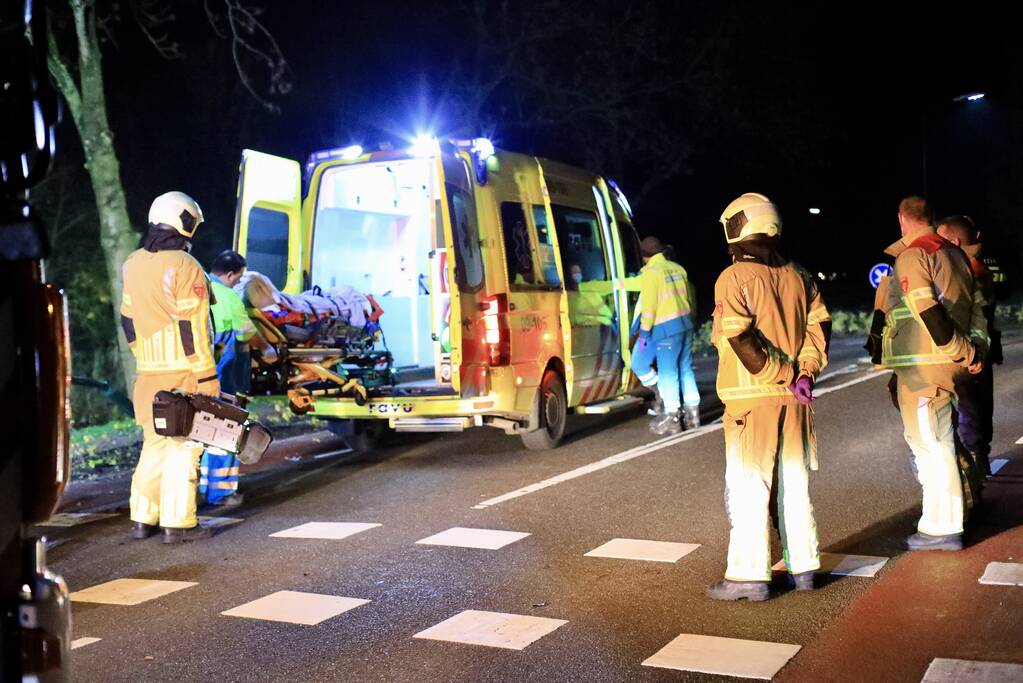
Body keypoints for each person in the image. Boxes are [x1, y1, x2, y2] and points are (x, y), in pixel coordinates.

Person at [706, 192, 830, 601]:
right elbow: (818, 330)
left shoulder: (734, 277)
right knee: (795, 484)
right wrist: (804, 374)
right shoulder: (801, 275)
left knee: (749, 486)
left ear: (739, 226)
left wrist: (783, 373)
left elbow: (740, 339)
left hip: (752, 399)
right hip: (795, 401)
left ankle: (748, 577)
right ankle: (805, 567)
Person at [879, 197, 988, 552]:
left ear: (901, 219)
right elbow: (976, 309)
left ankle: (943, 525)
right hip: (944, 364)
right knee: (938, 440)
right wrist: (973, 350)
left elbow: (927, 311)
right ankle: (945, 520)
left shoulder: (914, 255)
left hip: (924, 365)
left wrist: (959, 348)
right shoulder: (955, 255)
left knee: (930, 444)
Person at [121, 191, 220, 543]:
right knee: (184, 446)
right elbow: (191, 327)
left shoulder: (132, 262)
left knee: (153, 444)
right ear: (183, 220)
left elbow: (128, 319)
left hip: (147, 373)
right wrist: (207, 375)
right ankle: (178, 525)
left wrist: (144, 355)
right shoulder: (185, 265)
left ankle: (142, 519)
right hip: (184, 373)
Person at [199, 249, 271, 507]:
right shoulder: (228, 297)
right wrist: (267, 349)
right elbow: (246, 334)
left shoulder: (198, 288)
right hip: (226, 379)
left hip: (199, 377)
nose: (239, 284)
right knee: (225, 433)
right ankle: (220, 493)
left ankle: (203, 488)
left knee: (202, 433)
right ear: (229, 275)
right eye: (238, 278)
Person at [936, 216, 1002, 476]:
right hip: (975, 349)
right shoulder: (974, 268)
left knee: (970, 409)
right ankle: (977, 458)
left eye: (941, 240)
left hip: (969, 352)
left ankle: (974, 467)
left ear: (953, 241)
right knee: (977, 407)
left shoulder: (969, 270)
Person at [630, 236, 699, 434]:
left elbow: (649, 307)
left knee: (668, 371)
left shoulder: (652, 273)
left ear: (645, 257)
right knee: (685, 368)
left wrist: (644, 334)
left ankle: (673, 416)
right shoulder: (678, 268)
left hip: (666, 328)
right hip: (685, 324)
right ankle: (693, 414)